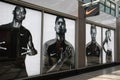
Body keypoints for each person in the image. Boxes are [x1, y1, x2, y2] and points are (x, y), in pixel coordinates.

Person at [0, 6, 37, 79]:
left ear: (24, 16)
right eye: (19, 11)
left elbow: (33, 50)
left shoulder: (26, 32)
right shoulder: (2, 29)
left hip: (20, 70)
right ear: (13, 12)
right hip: (3, 69)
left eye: (23, 12)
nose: (21, 13)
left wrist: (33, 52)